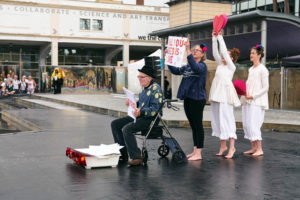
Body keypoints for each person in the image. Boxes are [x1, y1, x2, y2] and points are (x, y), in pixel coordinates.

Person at [111, 65, 163, 166]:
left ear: (149, 78)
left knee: (127, 129)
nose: (139, 79)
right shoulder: (144, 89)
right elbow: (140, 104)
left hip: (150, 118)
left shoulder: (156, 89)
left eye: (141, 77)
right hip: (140, 115)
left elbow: (155, 109)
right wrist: (131, 103)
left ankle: (137, 156)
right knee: (115, 124)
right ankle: (123, 152)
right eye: (139, 77)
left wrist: (141, 112)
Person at [166, 39, 208, 161]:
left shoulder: (202, 66)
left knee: (198, 125)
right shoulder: (187, 66)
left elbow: (195, 67)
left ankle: (199, 152)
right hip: (188, 98)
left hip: (197, 99)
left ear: (202, 54)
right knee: (193, 125)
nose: (195, 52)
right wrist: (169, 57)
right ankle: (195, 150)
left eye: (197, 50)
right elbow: (175, 70)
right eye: (193, 50)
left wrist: (188, 50)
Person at [210, 30, 241, 159]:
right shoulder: (219, 65)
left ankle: (232, 147)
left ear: (231, 59)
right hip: (217, 94)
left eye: (227, 56)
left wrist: (220, 37)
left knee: (227, 119)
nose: (223, 57)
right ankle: (223, 145)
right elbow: (215, 53)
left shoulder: (231, 67)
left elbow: (222, 52)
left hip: (226, 95)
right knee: (217, 118)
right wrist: (214, 38)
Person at [242, 44, 269, 157]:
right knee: (247, 124)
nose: (251, 55)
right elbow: (249, 84)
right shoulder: (251, 69)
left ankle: (260, 149)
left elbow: (265, 87)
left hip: (257, 102)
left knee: (254, 124)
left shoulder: (263, 69)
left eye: (253, 53)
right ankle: (253, 148)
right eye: (251, 53)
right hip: (248, 100)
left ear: (259, 55)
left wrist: (253, 96)